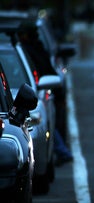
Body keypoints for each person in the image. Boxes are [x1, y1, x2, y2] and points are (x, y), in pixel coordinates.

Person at [17, 19, 73, 166]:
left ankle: (62, 151)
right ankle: (62, 151)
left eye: (22, 34)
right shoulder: (32, 50)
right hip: (40, 94)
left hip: (39, 95)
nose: (20, 37)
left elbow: (48, 72)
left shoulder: (31, 52)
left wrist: (58, 93)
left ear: (28, 35)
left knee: (44, 127)